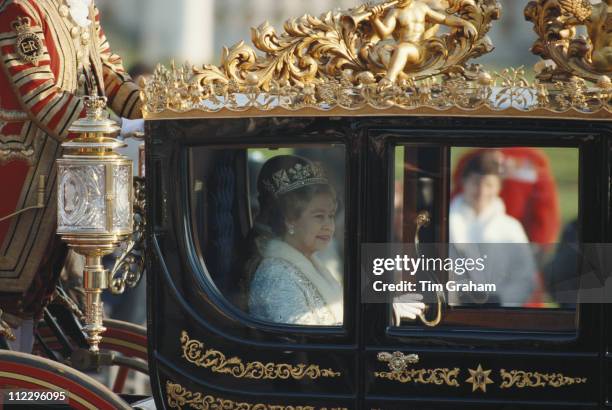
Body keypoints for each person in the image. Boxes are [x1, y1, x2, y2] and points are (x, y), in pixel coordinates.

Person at [0, 0, 143, 351]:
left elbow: (108, 73)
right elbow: (40, 95)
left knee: (37, 296)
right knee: (12, 295)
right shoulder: (23, 8)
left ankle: (24, 380)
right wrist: (117, 128)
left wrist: (153, 111)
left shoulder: (83, 8)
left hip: (68, 177)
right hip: (25, 179)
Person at [449, 151, 537, 306]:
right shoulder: (445, 225)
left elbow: (525, 278)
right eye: (476, 182)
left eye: (489, 184)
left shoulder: (511, 229)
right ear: (464, 182)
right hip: (451, 316)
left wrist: (500, 300)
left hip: (499, 318)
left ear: (499, 188)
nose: (482, 191)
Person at [368, 0, 477, 84]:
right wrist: (375, 19)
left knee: (403, 48)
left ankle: (389, 79)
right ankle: (401, 76)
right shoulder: (394, 12)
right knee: (383, 49)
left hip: (417, 49)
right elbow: (383, 33)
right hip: (400, 47)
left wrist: (464, 23)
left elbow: (444, 19)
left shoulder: (421, 8)